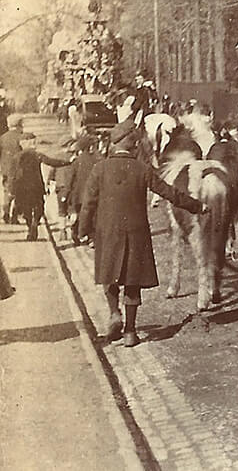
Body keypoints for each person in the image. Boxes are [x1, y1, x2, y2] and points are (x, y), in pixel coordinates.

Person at [78, 120, 206, 347]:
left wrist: (83, 230)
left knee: (110, 275)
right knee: (132, 281)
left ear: (114, 144)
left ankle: (114, 312)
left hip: (107, 232)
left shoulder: (100, 168)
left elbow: (88, 203)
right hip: (136, 233)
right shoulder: (142, 169)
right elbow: (169, 193)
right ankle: (129, 332)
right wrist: (197, 206)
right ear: (133, 144)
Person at [12, 133, 73, 241]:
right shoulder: (37, 155)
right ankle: (35, 223)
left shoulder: (16, 157)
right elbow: (52, 162)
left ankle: (30, 226)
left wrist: (12, 189)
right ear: (28, 143)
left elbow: (12, 174)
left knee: (26, 209)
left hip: (21, 186)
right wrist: (68, 162)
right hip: (36, 186)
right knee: (39, 207)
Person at [0, 115, 25, 223]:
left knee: (7, 190)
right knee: (19, 192)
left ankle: (5, 211)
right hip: (19, 169)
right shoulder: (21, 137)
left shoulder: (2, 138)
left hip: (6, 168)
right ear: (19, 125)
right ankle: (14, 215)